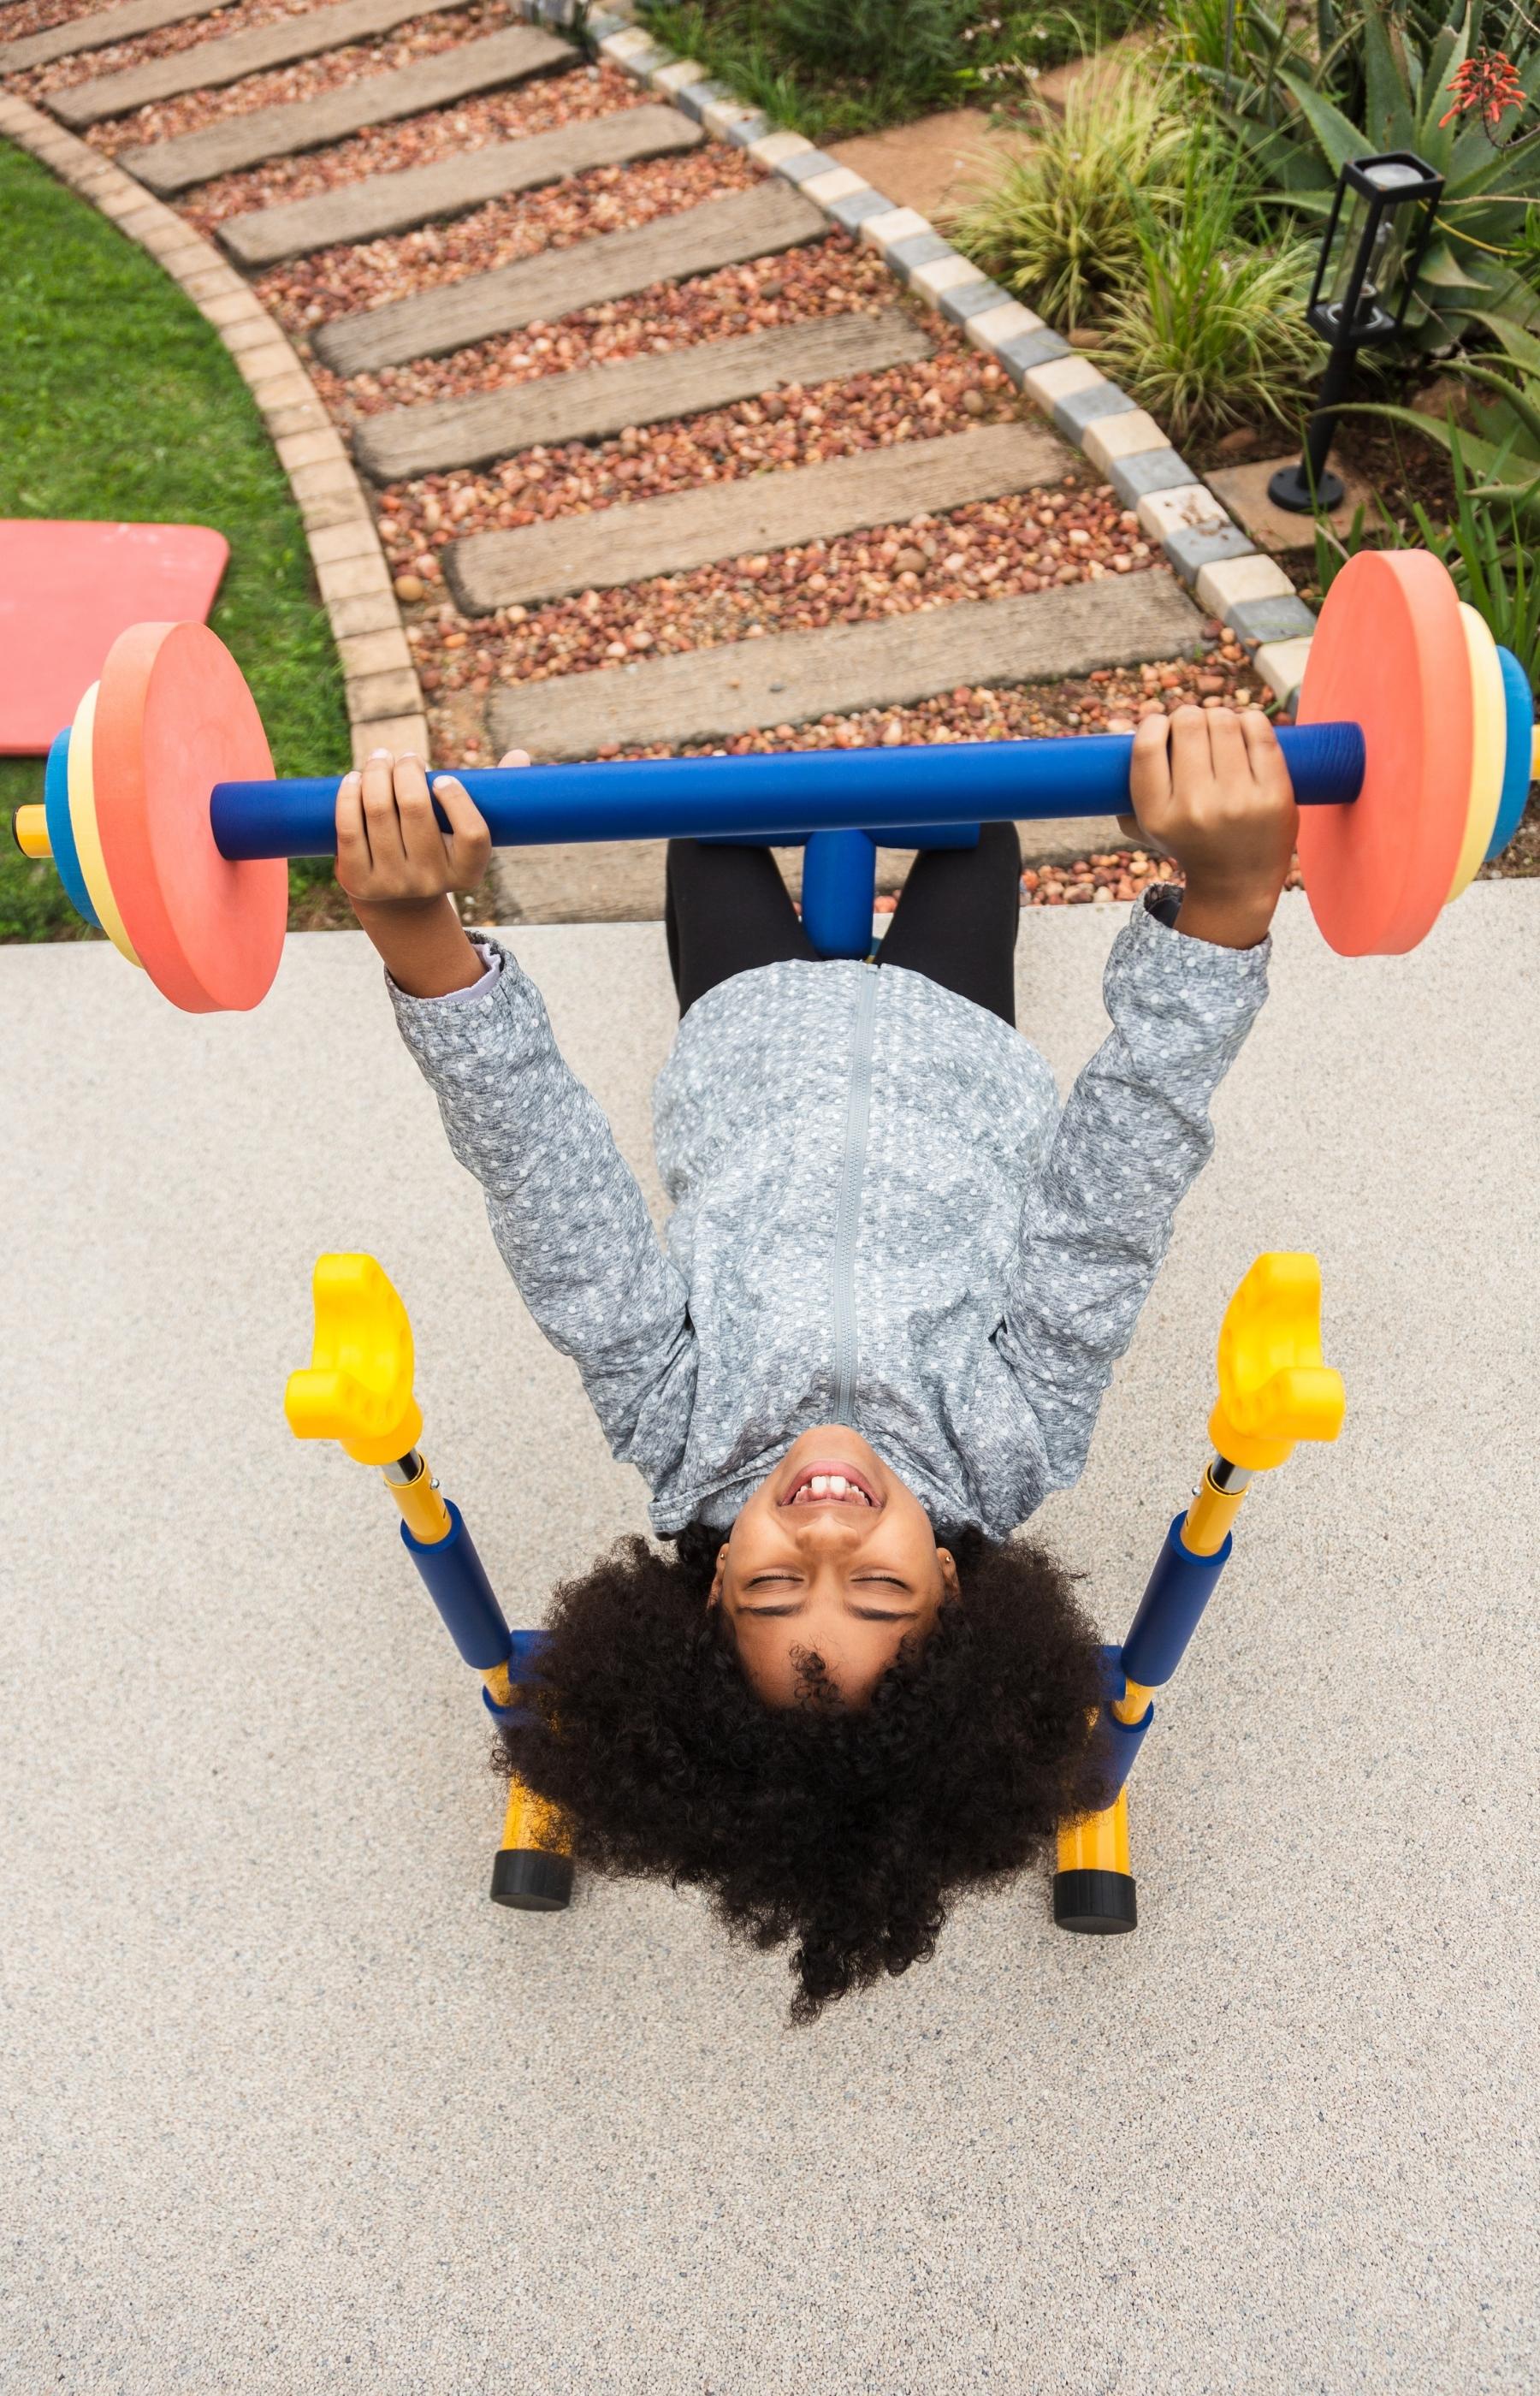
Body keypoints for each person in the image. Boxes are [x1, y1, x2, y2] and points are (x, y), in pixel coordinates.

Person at [338, 709, 1295, 2017]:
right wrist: (1229, 900)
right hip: (954, 1031)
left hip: (749, 1028)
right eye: (884, 1592)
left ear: (711, 1585)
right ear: (953, 1586)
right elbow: (1116, 1187)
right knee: (978, 802)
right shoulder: (1013, 1434)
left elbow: (546, 1183)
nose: (827, 1538)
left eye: (779, 1586)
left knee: (714, 800)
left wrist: (419, 937)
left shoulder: (676, 1427)